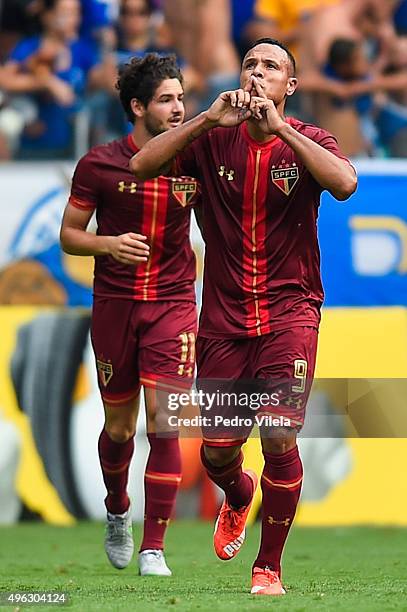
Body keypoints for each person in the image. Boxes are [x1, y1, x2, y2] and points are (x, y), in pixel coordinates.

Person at [129, 37, 357, 596]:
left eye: (271, 67)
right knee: (217, 454)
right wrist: (207, 119)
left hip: (291, 313)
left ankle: (268, 567)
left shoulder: (305, 140)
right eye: (250, 64)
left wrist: (281, 129)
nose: (257, 73)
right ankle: (237, 494)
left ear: (289, 87)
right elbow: (140, 164)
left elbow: (346, 184)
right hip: (225, 322)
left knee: (280, 434)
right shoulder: (212, 141)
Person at [60, 53, 199, 576]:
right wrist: (108, 244)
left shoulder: (194, 158)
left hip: (173, 305)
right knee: (119, 430)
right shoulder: (98, 164)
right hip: (115, 308)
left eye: (181, 97)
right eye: (166, 99)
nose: (178, 108)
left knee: (166, 426)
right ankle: (117, 510)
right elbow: (70, 236)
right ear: (138, 106)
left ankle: (154, 548)